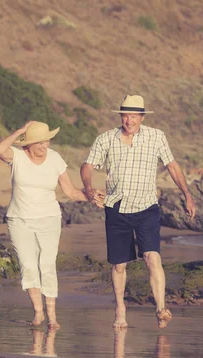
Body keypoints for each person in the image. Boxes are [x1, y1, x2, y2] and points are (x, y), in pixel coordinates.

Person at [80, 95, 196, 329]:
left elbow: (172, 166)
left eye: (134, 116)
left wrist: (187, 194)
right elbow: (87, 165)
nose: (129, 120)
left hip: (146, 208)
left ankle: (161, 308)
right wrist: (89, 189)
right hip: (116, 208)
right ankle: (120, 309)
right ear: (120, 116)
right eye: (125, 115)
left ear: (142, 117)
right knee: (119, 265)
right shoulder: (106, 139)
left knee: (152, 257)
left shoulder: (156, 136)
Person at [0, 120, 102, 329]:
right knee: (28, 265)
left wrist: (91, 197)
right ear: (29, 144)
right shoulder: (16, 156)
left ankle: (52, 317)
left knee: (47, 265)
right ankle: (38, 313)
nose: (45, 146)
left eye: (47, 141)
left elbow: (70, 191)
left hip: (49, 219)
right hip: (19, 220)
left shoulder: (55, 159)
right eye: (39, 143)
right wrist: (20, 130)